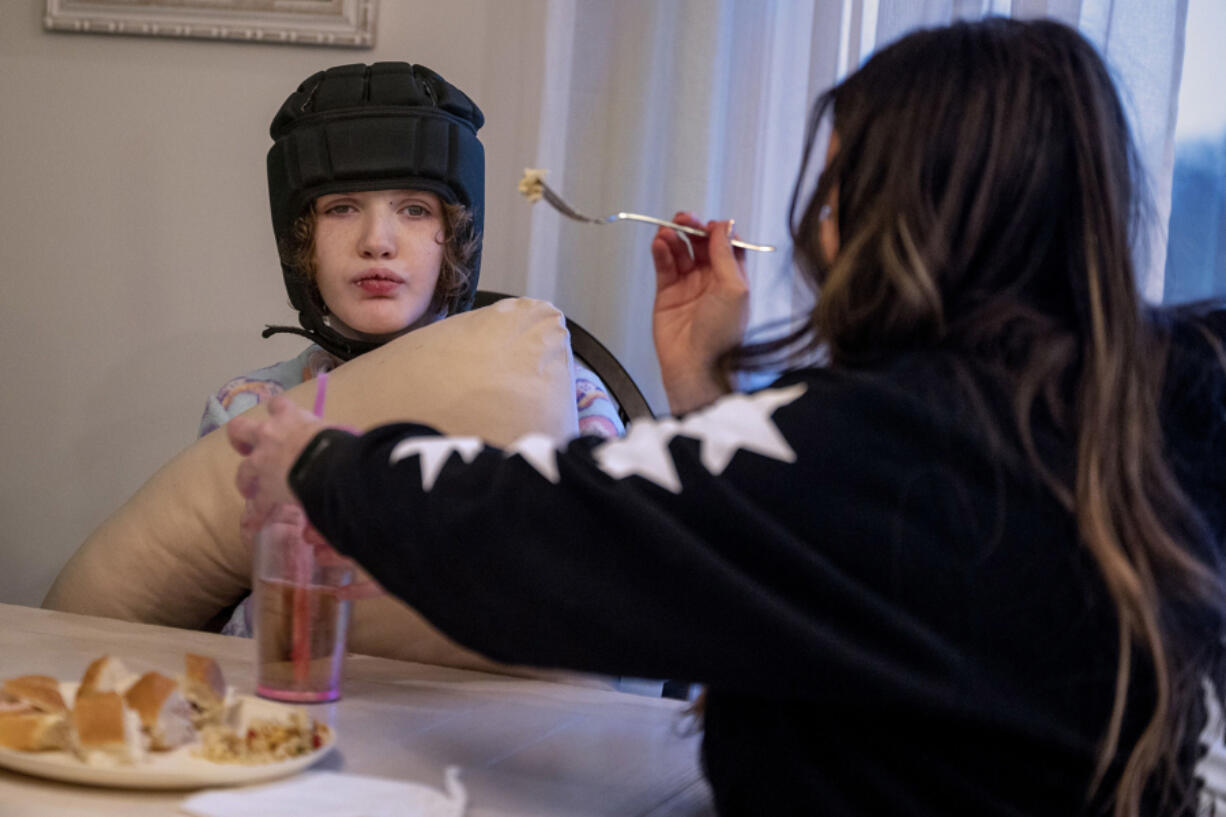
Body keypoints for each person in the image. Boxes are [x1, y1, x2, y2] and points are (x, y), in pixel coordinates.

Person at [226, 19, 1226, 817]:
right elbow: (780, 563)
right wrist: (705, 389)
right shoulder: (1173, 383)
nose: (814, 228)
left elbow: (543, 533)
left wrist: (323, 464)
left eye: (834, 198)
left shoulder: (876, 441)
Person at [203, 62, 625, 637]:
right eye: (341, 208)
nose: (377, 242)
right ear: (300, 241)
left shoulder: (564, 397)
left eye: (415, 209)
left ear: (457, 236)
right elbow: (209, 614)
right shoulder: (252, 410)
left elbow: (614, 587)